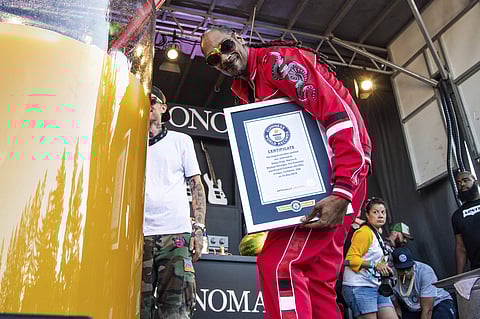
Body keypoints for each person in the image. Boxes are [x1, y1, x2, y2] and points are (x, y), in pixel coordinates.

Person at [200, 26, 372, 319]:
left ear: (239, 39)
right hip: (323, 184)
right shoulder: (245, 91)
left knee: (279, 265)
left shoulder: (280, 62)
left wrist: (343, 189)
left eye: (226, 47)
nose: (224, 59)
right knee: (319, 281)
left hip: (333, 182)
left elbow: (339, 115)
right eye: (214, 59)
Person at [141, 86, 206, 319]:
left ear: (163, 107)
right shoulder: (128, 142)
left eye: (152, 100)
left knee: (176, 310)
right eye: (142, 100)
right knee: (138, 308)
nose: (147, 104)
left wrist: (198, 230)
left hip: (176, 234)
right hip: (139, 238)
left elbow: (197, 186)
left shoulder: (181, 141)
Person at [342, 197, 398, 319]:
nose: (380, 215)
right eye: (375, 212)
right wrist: (374, 265)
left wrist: (384, 268)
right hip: (359, 286)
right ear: (367, 215)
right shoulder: (364, 232)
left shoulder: (376, 233)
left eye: (383, 212)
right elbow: (349, 260)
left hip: (376, 286)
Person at [391, 247, 457, 319]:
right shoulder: (391, 277)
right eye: (402, 270)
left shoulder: (425, 271)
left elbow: (428, 310)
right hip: (414, 309)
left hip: (437, 303)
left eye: (408, 268)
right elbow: (397, 307)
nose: (406, 272)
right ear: (395, 268)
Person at [452, 170, 480, 274]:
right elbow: (460, 247)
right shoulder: (457, 216)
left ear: (475, 181)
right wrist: (459, 277)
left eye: (465, 180)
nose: (462, 184)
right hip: (477, 268)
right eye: (458, 183)